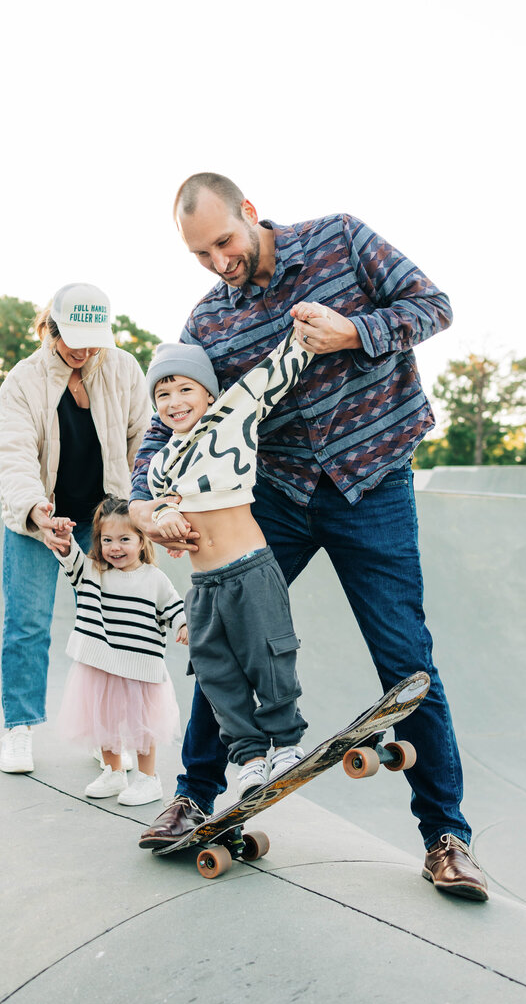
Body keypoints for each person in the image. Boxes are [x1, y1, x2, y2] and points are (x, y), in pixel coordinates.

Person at [129, 172, 488, 902]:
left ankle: (446, 838)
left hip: (372, 482)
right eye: (200, 255)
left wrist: (355, 331)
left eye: (224, 242)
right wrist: (143, 503)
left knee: (405, 656)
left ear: (250, 212)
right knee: (226, 637)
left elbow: (433, 305)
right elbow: (169, 419)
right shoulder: (209, 322)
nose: (219, 262)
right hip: (278, 494)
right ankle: (194, 795)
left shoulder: (340, 240)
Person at [0, 282, 152, 774]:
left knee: (111, 625)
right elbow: (13, 454)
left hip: (105, 523)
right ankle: (19, 728)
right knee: (27, 625)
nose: (83, 351)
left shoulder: (123, 368)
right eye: (74, 341)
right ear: (52, 329)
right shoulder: (24, 379)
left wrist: (143, 509)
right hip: (42, 520)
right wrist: (36, 510)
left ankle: (104, 736)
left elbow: (145, 443)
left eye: (93, 342)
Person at [145, 333, 312, 796]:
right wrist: (166, 518)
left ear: (208, 393)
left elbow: (271, 375)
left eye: (185, 389)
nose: (175, 402)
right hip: (203, 587)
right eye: (163, 394)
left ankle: (286, 743)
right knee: (215, 674)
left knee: (269, 657)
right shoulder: (161, 462)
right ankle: (251, 756)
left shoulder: (230, 418)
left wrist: (304, 334)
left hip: (250, 571)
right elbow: (160, 502)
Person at [47, 494, 186, 805]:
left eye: (125, 539)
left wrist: (183, 625)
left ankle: (148, 779)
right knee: (104, 719)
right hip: (101, 663)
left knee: (142, 724)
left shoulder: (154, 579)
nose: (115, 547)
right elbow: (71, 559)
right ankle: (114, 771)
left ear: (141, 540)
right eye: (107, 539)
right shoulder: (93, 571)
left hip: (139, 665)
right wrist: (65, 538)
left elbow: (174, 606)